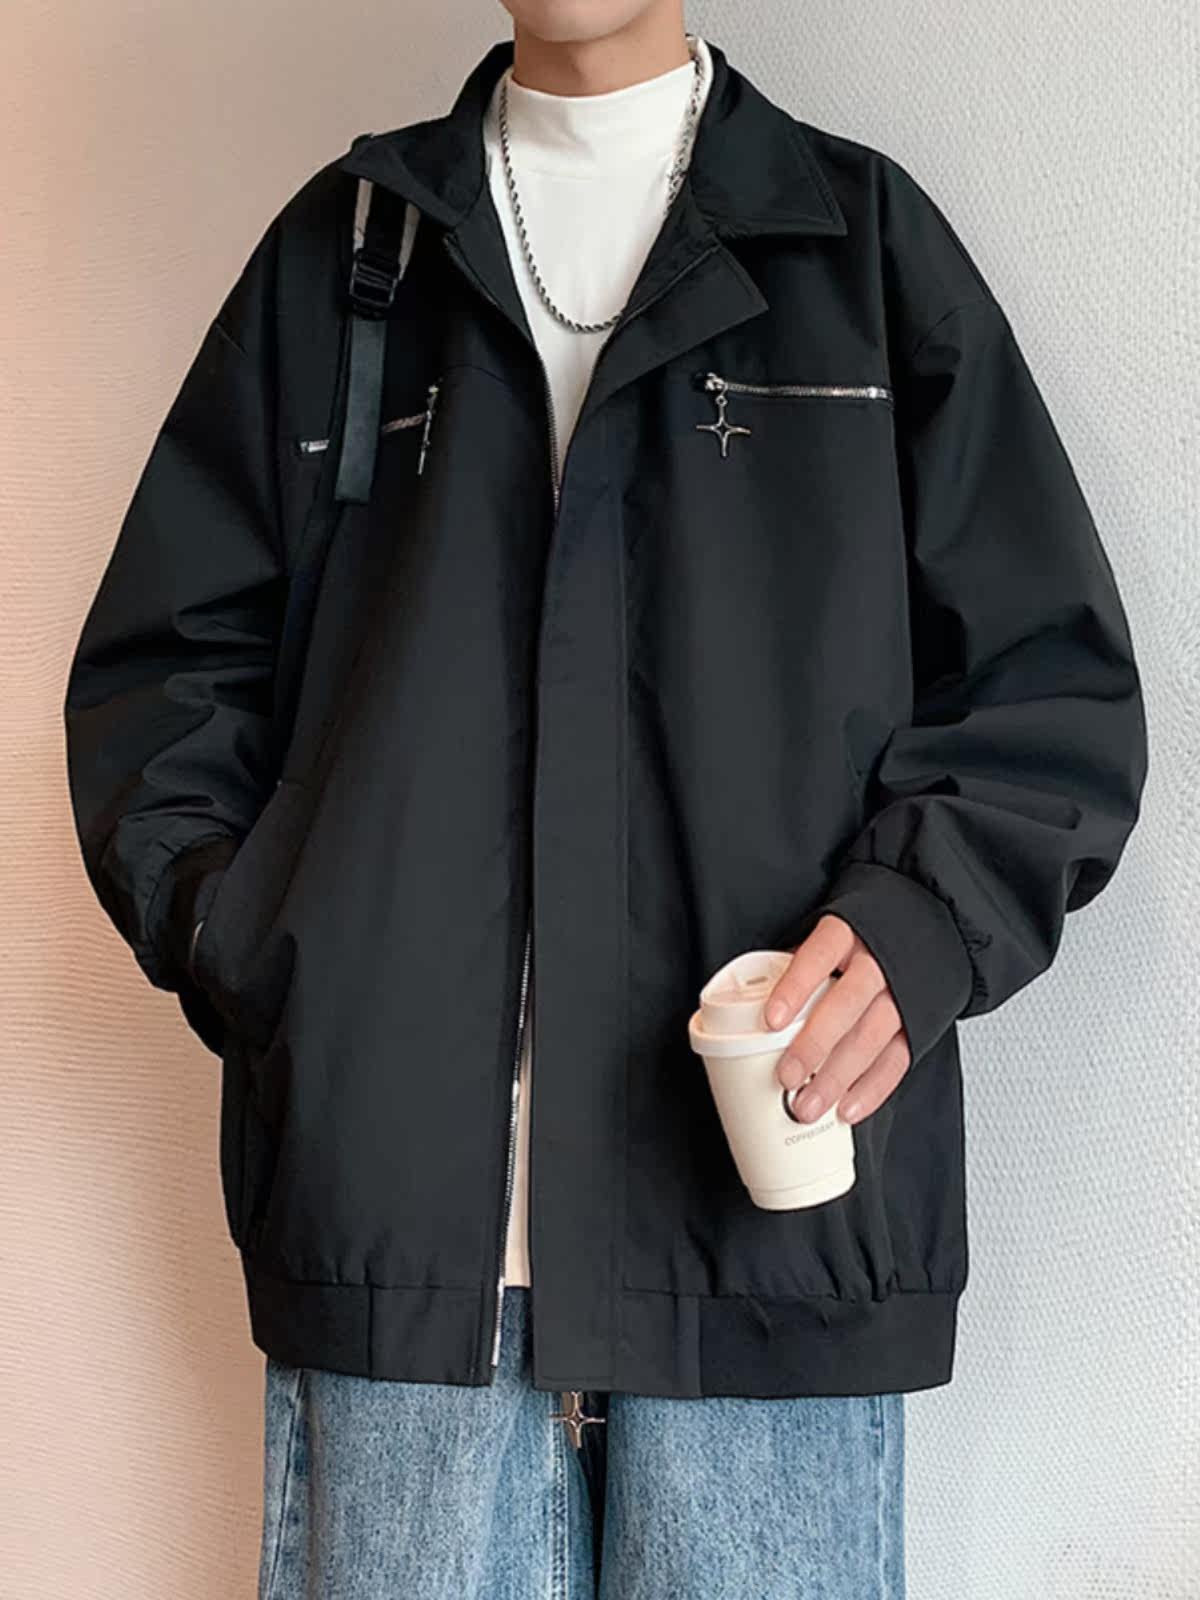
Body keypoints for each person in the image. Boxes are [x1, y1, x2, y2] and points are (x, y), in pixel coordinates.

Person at [62, 3, 1149, 1596]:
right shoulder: (348, 254)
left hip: (763, 1240)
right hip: (401, 1253)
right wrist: (271, 943)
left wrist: (923, 922)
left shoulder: (858, 249)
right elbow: (163, 680)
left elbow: (1050, 690)